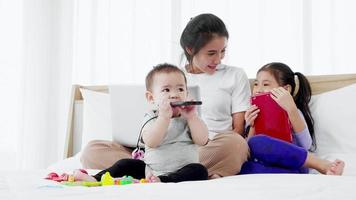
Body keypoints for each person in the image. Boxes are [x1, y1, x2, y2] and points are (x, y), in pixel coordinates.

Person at [74, 63, 209, 183]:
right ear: (151, 98)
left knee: (200, 170)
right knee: (125, 164)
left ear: (187, 92)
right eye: (166, 90)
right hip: (150, 170)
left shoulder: (190, 118)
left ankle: (163, 180)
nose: (174, 94)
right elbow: (151, 141)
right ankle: (96, 178)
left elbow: (202, 140)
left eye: (180, 89)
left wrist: (192, 117)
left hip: (184, 170)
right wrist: (164, 118)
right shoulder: (151, 117)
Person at [239, 62, 345, 175]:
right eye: (256, 84)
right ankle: (291, 174)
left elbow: (306, 145)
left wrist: (291, 110)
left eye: (265, 84)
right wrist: (251, 125)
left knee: (257, 141)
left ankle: (321, 165)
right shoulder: (253, 112)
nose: (258, 89)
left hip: (295, 161)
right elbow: (250, 148)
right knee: (244, 162)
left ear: (286, 89)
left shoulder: (294, 111)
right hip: (268, 164)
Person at [180, 13, 251, 178]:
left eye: (223, 51)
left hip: (217, 146)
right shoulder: (174, 78)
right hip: (179, 147)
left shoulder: (235, 75)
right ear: (190, 49)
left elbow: (238, 130)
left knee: (237, 144)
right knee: (107, 147)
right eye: (211, 53)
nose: (218, 59)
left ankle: (172, 171)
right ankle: (189, 172)